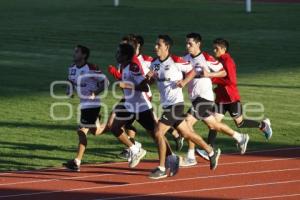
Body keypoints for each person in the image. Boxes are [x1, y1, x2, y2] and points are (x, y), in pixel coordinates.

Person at [146, 35, 221, 179]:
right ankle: (210, 151)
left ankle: (162, 168)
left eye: (158, 45)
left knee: (158, 132)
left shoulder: (175, 60)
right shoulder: (155, 63)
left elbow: (193, 70)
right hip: (166, 105)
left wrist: (185, 81)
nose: (155, 47)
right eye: (155, 45)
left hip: (176, 104)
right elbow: (154, 81)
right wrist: (149, 78)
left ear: (166, 47)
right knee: (187, 134)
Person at [176, 33, 249, 167]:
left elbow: (224, 73)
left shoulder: (207, 58)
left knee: (187, 123)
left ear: (198, 44)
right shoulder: (185, 59)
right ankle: (240, 137)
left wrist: (209, 74)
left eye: (190, 44)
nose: (187, 46)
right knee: (213, 125)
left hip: (205, 98)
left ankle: (191, 157)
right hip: (195, 98)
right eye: (186, 43)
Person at [196, 38, 273, 160]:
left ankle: (263, 125)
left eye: (216, 48)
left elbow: (231, 80)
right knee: (214, 124)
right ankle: (209, 149)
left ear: (223, 49)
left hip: (231, 98)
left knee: (240, 123)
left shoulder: (228, 61)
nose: (214, 50)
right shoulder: (219, 60)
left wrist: (212, 78)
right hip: (221, 98)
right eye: (214, 47)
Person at [63, 45, 109, 171]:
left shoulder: (91, 68)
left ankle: (76, 162)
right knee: (96, 131)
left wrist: (95, 93)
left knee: (81, 130)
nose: (74, 53)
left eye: (77, 52)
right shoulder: (72, 68)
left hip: (93, 104)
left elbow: (105, 82)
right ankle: (114, 125)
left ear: (84, 55)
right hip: (83, 104)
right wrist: (69, 90)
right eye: (74, 51)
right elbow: (70, 81)